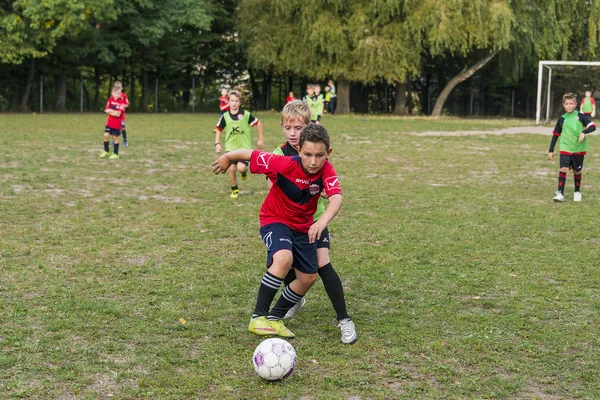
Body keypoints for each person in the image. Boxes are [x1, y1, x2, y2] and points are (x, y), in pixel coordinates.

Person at [211, 124, 343, 339]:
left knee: (308, 277)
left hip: (303, 227)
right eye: (307, 154)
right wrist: (228, 157)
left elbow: (337, 197)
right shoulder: (282, 163)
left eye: (319, 156)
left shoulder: (327, 169)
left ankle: (274, 318)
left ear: (328, 153)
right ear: (298, 150)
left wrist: (321, 222)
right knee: (283, 258)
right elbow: (251, 154)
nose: (313, 161)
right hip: (275, 219)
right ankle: (258, 317)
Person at [271, 100, 357, 344]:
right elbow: (271, 185)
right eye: (289, 128)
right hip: (285, 220)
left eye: (299, 128)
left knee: (322, 264)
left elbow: (333, 191)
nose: (293, 133)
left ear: (308, 128)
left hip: (315, 220)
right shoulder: (279, 155)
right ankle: (295, 297)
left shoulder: (317, 156)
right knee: (284, 262)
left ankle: (344, 319)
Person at [214, 90, 264, 198]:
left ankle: (244, 172)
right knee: (232, 168)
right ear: (228, 102)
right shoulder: (225, 116)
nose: (234, 103)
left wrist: (260, 139)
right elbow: (218, 129)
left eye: (236, 101)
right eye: (232, 101)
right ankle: (234, 189)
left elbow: (258, 123)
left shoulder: (245, 114)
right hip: (231, 148)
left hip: (244, 147)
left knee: (241, 168)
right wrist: (217, 143)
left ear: (240, 102)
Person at [548, 92, 596, 202]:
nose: (569, 105)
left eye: (571, 103)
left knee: (577, 171)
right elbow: (555, 135)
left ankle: (577, 191)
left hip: (578, 149)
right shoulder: (562, 119)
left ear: (575, 104)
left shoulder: (581, 116)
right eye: (566, 103)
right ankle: (560, 193)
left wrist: (584, 132)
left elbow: (593, 127)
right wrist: (551, 150)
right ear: (563, 105)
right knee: (563, 169)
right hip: (565, 148)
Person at [100, 82, 128, 160]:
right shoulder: (110, 99)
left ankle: (116, 154)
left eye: (119, 93)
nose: (118, 94)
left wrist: (111, 111)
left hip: (116, 124)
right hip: (109, 123)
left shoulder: (121, 102)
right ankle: (106, 151)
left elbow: (118, 114)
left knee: (115, 138)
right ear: (112, 93)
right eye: (116, 93)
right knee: (105, 135)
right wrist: (113, 111)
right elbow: (106, 110)